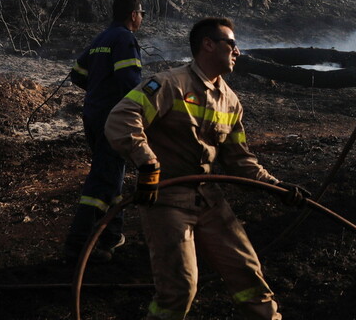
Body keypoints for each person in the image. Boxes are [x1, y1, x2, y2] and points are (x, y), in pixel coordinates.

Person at [105, 16, 308, 320]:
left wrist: (276, 187)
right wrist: (147, 163)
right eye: (231, 43)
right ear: (208, 45)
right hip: (167, 199)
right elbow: (121, 118)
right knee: (179, 289)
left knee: (248, 274)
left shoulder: (231, 102)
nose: (237, 51)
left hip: (209, 200)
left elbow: (240, 159)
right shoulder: (169, 84)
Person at [63, 0, 144, 263]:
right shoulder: (125, 39)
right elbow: (130, 82)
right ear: (133, 15)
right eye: (141, 13)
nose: (142, 18)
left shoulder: (101, 38)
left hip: (93, 115)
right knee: (102, 179)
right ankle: (78, 244)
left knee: (110, 173)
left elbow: (77, 73)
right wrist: (145, 111)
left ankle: (111, 236)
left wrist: (98, 90)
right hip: (114, 118)